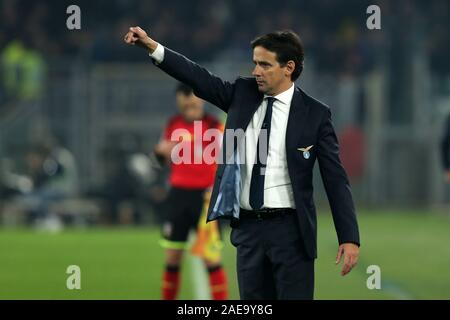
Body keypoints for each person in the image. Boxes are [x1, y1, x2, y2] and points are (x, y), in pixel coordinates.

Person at [124, 27, 360, 300]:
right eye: (255, 63)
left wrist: (349, 236)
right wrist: (152, 46)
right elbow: (196, 76)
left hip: (292, 233)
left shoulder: (315, 114)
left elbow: (335, 179)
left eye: (264, 64)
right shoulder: (242, 94)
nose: (256, 70)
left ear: (289, 67)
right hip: (249, 231)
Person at [153, 83, 228, 300]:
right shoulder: (172, 124)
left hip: (205, 199)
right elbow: (160, 158)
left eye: (193, 96)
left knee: (211, 259)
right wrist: (160, 153)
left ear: (201, 98)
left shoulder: (215, 125)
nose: (189, 101)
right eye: (184, 97)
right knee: (173, 257)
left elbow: (231, 161)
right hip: (178, 196)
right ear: (178, 100)